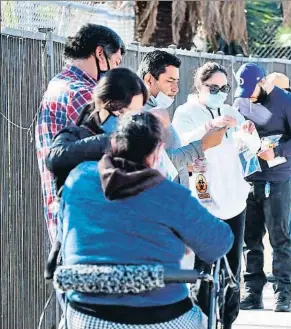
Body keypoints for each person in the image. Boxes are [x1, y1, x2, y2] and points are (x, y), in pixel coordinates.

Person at [58, 111, 234, 329]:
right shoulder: (170, 194)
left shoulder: (78, 178)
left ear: (112, 143)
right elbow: (219, 243)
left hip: (86, 318)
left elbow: (64, 236)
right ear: (157, 153)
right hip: (161, 319)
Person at [172, 62, 254, 328]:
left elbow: (248, 145)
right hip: (204, 200)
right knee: (204, 269)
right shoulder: (186, 112)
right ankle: (202, 319)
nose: (219, 92)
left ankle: (229, 319)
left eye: (224, 88)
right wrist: (210, 126)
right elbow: (181, 143)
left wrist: (248, 134)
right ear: (200, 86)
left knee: (233, 266)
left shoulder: (230, 111)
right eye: (213, 87)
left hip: (234, 198)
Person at [233, 63, 291, 312]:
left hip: (277, 178)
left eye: (253, 92)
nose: (249, 98)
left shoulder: (288, 102)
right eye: (245, 94)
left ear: (264, 82)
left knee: (280, 238)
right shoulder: (242, 100)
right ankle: (253, 293)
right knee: (250, 240)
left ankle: (283, 294)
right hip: (248, 177)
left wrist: (277, 151)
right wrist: (243, 131)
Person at [36, 24, 125, 241]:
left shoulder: (58, 85)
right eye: (115, 64)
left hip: (67, 222)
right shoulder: (84, 95)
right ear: (99, 54)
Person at [46, 68, 147, 192]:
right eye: (121, 112)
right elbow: (55, 159)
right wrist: (112, 142)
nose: (127, 121)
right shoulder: (75, 135)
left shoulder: (135, 143)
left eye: (134, 115)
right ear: (101, 104)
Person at [137, 50, 224, 187]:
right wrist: (203, 144)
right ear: (149, 79)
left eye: (177, 82)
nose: (176, 89)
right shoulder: (140, 114)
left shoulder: (156, 108)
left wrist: (187, 164)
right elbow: (158, 162)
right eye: (170, 81)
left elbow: (170, 160)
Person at [265, 72, 291, 273]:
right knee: (283, 219)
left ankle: (287, 261)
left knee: (285, 219)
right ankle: (286, 260)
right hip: (282, 172)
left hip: (288, 172)